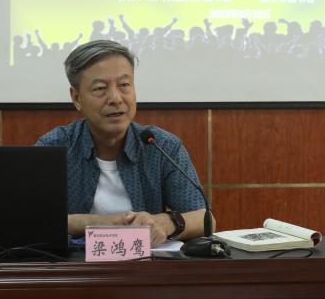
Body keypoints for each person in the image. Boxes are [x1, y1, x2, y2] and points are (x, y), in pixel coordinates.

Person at [36, 40, 211, 245]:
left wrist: (166, 222)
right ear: (76, 98)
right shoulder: (53, 148)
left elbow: (205, 219)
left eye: (124, 85)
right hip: (75, 264)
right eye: (100, 88)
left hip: (145, 263)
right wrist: (106, 223)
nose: (116, 98)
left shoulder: (160, 145)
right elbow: (30, 220)